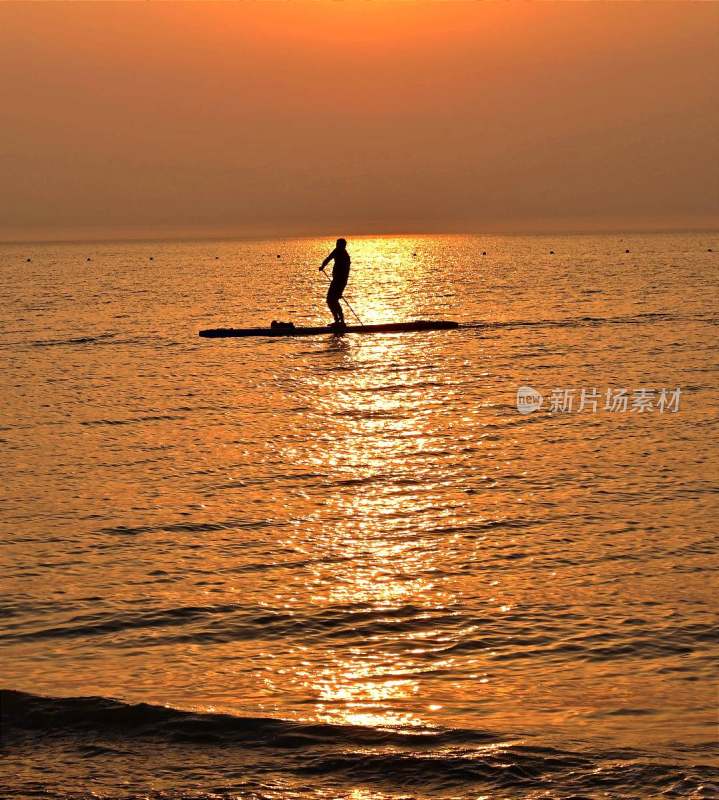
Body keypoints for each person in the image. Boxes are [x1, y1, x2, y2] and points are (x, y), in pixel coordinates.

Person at [320, 238, 351, 328]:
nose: (337, 246)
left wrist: (341, 287)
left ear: (343, 246)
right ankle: (337, 321)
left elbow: (346, 272)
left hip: (340, 281)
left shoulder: (345, 256)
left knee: (333, 300)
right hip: (336, 280)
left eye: (338, 245)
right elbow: (328, 258)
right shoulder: (336, 251)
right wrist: (322, 266)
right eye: (337, 244)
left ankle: (341, 321)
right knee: (330, 300)